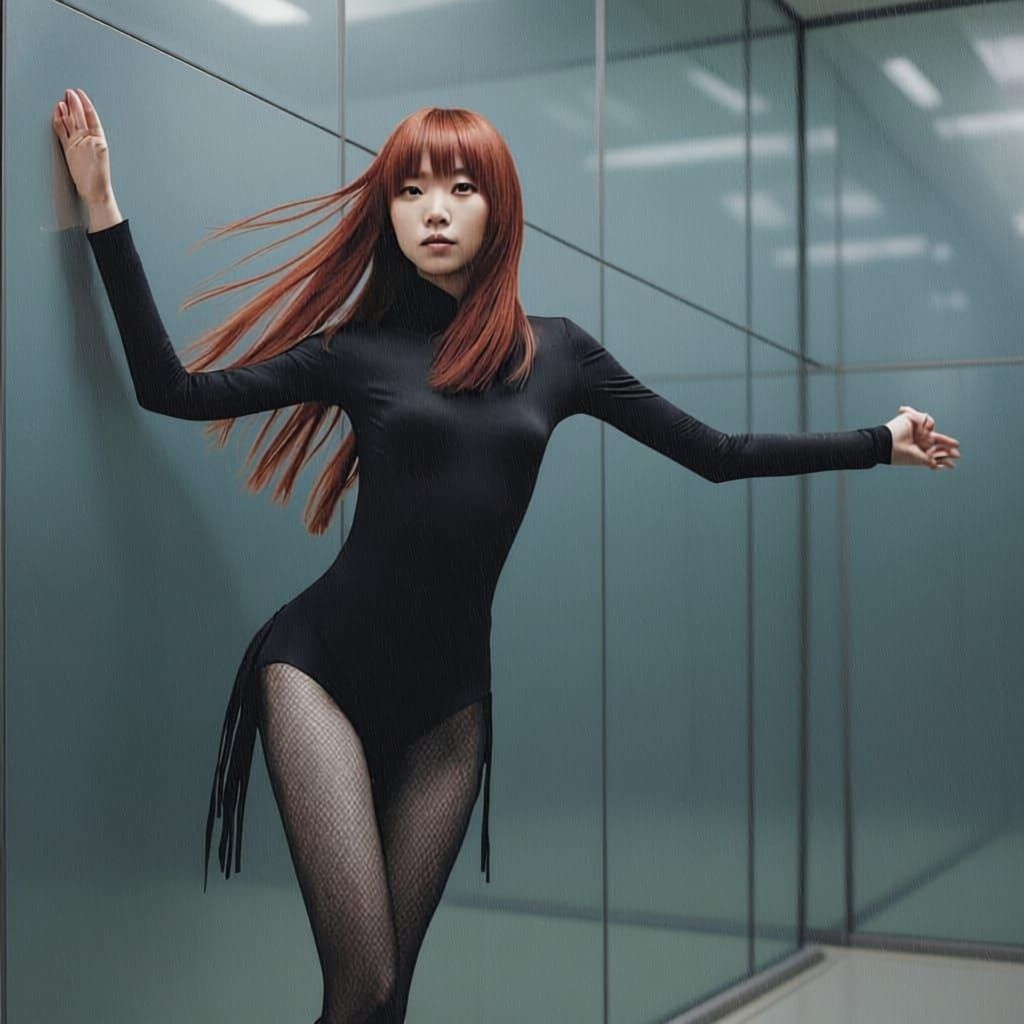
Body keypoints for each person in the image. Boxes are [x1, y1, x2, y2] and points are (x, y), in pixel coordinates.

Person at [52, 87, 961, 1024]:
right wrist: (102, 209)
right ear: (388, 214)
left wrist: (877, 441)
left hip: (450, 714)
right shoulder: (355, 352)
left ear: (498, 208)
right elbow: (173, 390)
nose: (434, 210)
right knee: (359, 983)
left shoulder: (557, 355)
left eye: (457, 187)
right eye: (409, 192)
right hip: (318, 676)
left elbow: (717, 456)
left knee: (390, 997)